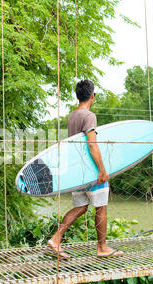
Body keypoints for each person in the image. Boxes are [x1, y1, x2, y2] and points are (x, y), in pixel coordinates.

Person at [46, 79, 124, 259]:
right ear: (92, 96)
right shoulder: (89, 116)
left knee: (81, 207)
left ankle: (56, 239)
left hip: (77, 173)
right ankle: (102, 247)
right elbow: (92, 146)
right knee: (101, 208)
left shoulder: (72, 116)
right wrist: (102, 170)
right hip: (91, 171)